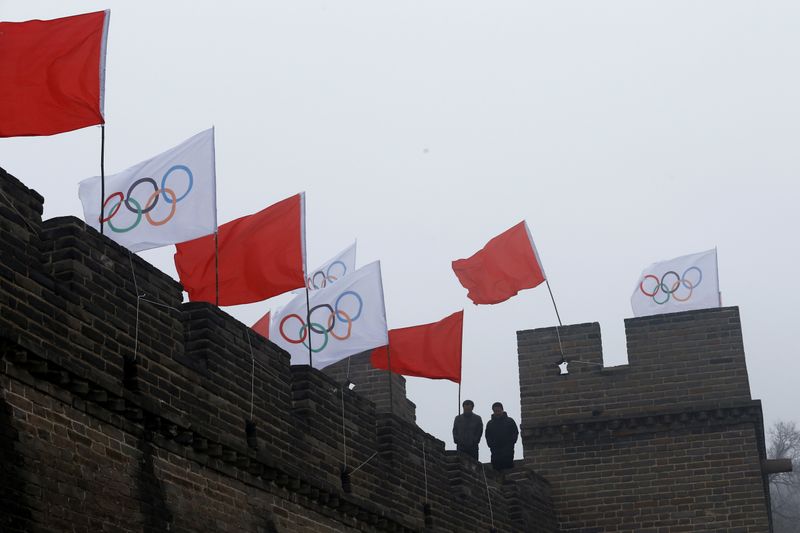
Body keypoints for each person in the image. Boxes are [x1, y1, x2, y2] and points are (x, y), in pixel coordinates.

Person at [485, 402, 518, 471]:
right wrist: (491, 445)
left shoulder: (510, 421)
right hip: (495, 451)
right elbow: (488, 436)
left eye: (498, 410)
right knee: (496, 469)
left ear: (502, 410)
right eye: (495, 411)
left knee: (509, 468)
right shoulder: (490, 424)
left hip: (508, 450)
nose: (497, 412)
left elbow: (515, 432)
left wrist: (511, 443)